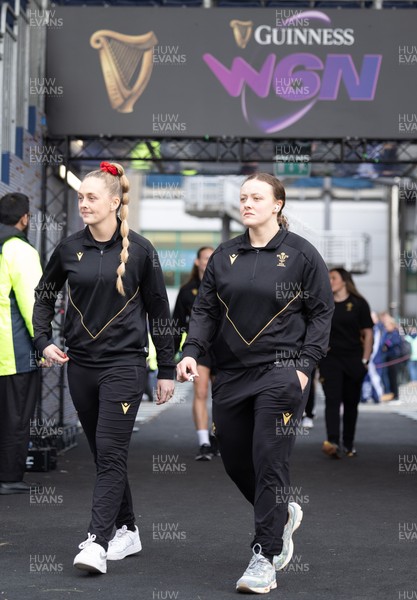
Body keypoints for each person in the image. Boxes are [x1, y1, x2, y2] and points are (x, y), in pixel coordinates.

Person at [176, 173, 334, 594]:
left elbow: (321, 313)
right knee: (235, 461)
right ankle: (282, 514)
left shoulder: (302, 255)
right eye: (243, 197)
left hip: (282, 373)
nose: (247, 203)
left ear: (277, 204)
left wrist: (305, 365)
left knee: (269, 459)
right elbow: (205, 311)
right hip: (231, 374)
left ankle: (264, 556)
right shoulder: (225, 256)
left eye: (256, 197)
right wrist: (191, 350)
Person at [32, 162, 175, 574]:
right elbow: (44, 296)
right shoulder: (68, 248)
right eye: (80, 197)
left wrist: (165, 368)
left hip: (125, 367)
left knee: (111, 452)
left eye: (91, 197)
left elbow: (160, 311)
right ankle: (128, 528)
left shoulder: (142, 251)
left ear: (115, 202)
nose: (83, 204)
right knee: (102, 453)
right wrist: (43, 341)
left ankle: (97, 541)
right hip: (81, 367)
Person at [0, 193, 43, 495]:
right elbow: (33, 304)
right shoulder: (20, 250)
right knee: (15, 415)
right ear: (24, 218)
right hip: (13, 350)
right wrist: (44, 343)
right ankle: (9, 477)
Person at [319, 268, 373, 459]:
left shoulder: (359, 303)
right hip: (330, 360)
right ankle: (332, 441)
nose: (330, 281)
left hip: (353, 360)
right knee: (332, 400)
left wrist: (365, 360)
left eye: (333, 277)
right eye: (328, 278)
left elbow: (368, 333)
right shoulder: (323, 303)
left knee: (351, 403)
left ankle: (348, 444)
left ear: (344, 281)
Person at [172, 246, 218, 461]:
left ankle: (218, 436)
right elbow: (176, 326)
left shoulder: (226, 287)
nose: (209, 262)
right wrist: (169, 358)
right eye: (205, 258)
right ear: (198, 262)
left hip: (225, 350)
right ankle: (204, 442)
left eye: (212, 258)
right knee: (200, 392)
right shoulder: (186, 291)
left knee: (223, 398)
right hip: (199, 349)